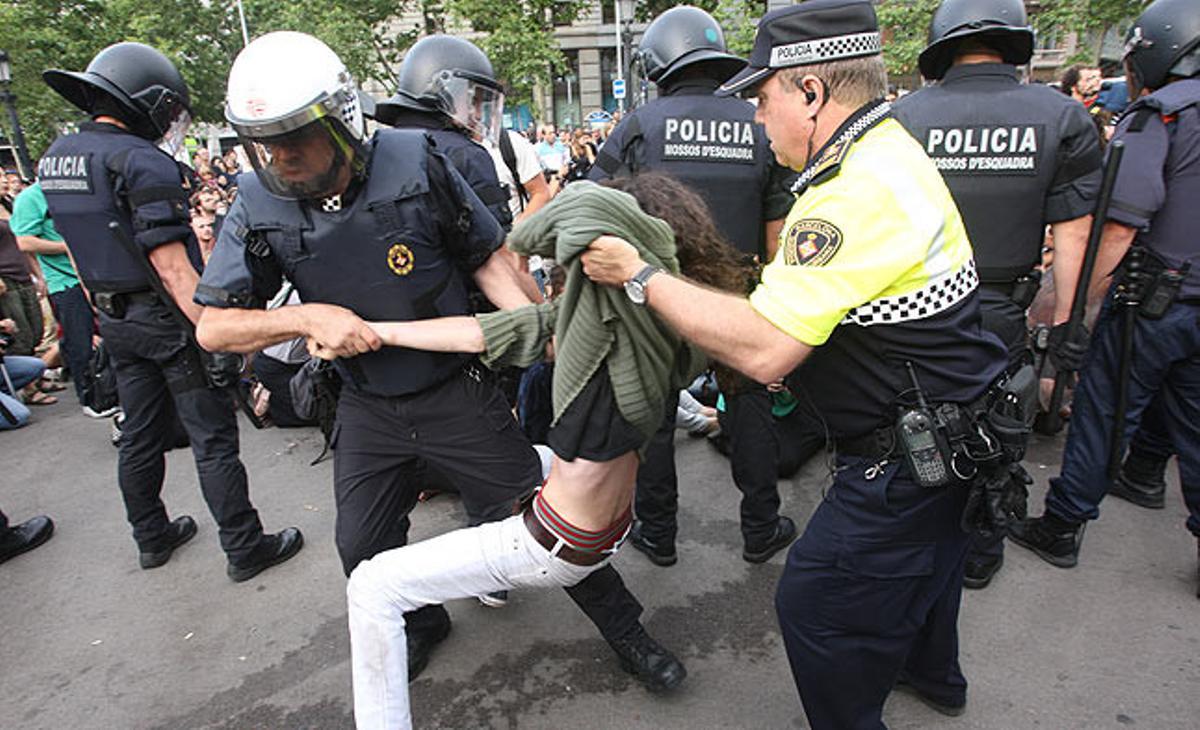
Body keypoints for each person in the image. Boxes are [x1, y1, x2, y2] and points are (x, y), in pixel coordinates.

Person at [194, 32, 685, 689]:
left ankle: (628, 632)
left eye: (295, 138)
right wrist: (306, 317)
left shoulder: (415, 159)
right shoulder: (257, 201)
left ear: (340, 119)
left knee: (543, 520)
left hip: (456, 390)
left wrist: (545, 334)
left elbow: (486, 254)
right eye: (265, 143)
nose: (281, 158)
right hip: (367, 404)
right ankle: (420, 623)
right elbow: (214, 327)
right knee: (360, 547)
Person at [582, 1, 1010, 725]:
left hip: (903, 458)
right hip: (955, 434)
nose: (755, 115)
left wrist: (640, 275)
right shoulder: (888, 149)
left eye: (763, 96)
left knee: (816, 603)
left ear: (812, 92)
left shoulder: (848, 195)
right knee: (931, 570)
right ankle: (935, 677)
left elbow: (764, 343)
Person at [338, 172, 740, 729]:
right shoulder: (612, 320)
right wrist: (375, 331)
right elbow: (480, 332)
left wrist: (612, 240)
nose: (559, 273)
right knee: (521, 459)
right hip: (598, 515)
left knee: (372, 586)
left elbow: (547, 226)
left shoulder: (634, 345)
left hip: (556, 545)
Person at [37, 41, 303, 580]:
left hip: (113, 318)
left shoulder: (58, 157)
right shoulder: (141, 162)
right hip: (166, 320)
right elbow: (172, 268)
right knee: (213, 439)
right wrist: (214, 333)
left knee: (139, 433)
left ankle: (152, 537)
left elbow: (82, 248)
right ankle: (245, 547)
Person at [892, 0, 1103, 589]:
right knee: (999, 424)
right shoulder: (1061, 116)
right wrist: (1065, 329)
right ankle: (981, 549)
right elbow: (1075, 236)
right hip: (1005, 306)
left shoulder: (904, 117)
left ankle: (918, 540)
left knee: (916, 423)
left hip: (918, 306)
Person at [589, 4, 804, 566]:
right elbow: (779, 228)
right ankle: (760, 526)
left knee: (656, 415)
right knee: (749, 405)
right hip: (739, 293)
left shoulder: (639, 124)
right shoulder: (757, 121)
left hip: (659, 294)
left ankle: (657, 533)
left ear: (659, 62)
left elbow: (591, 202)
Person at [1009, 0, 1200, 598]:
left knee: (1103, 412)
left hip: (1157, 300)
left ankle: (1061, 526)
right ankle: (1145, 476)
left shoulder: (1163, 116)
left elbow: (1117, 227)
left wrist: (1074, 313)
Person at [10, 181, 110, 416]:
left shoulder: (74, 191)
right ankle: (90, 398)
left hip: (93, 273)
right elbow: (24, 241)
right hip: (65, 281)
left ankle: (45, 375)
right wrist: (65, 247)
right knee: (80, 342)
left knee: (88, 337)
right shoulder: (32, 197)